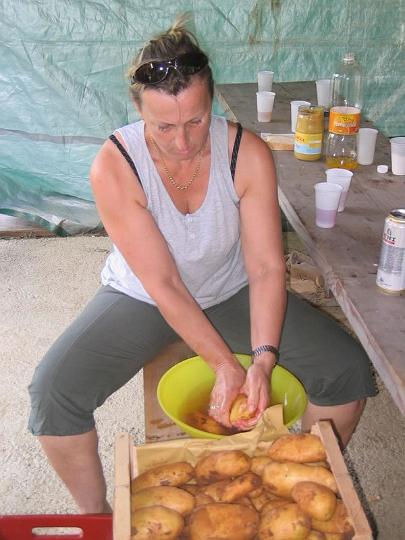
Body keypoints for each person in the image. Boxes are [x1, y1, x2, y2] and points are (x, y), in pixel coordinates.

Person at [28, 16, 377, 514]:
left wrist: (262, 359)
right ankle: (99, 518)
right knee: (54, 392)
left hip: (228, 290)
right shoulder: (115, 164)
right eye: (164, 127)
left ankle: (294, 483)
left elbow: (265, 268)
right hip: (143, 296)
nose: (183, 142)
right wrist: (223, 364)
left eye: (196, 121)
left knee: (344, 369)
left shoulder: (246, 152)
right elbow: (164, 283)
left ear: (211, 101)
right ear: (137, 110)